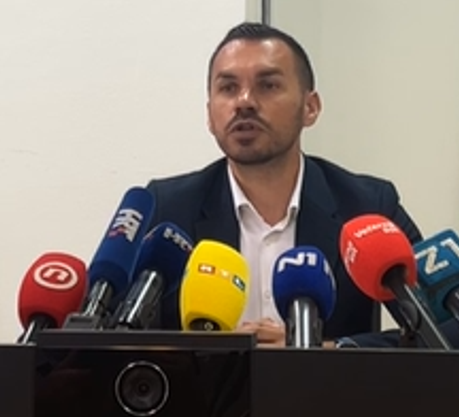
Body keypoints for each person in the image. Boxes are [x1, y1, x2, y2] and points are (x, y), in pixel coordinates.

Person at [145, 22, 421, 344]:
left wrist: (329, 351)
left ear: (310, 108)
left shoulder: (367, 207)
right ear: (209, 114)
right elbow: (104, 339)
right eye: (228, 88)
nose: (244, 102)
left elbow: (451, 334)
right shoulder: (166, 209)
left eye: (268, 85)